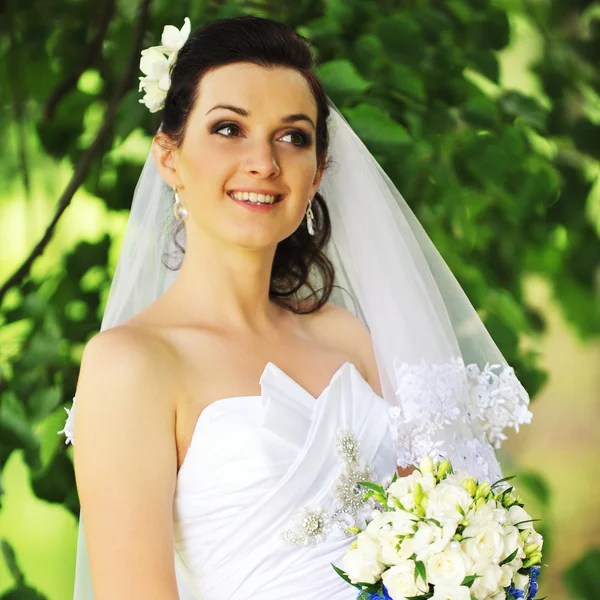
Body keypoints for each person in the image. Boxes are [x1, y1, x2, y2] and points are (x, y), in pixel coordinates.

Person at [60, 15, 533, 599]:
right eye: (229, 128)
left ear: (316, 178)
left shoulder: (351, 340)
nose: (264, 160)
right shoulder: (130, 364)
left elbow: (448, 518)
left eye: (293, 136)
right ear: (169, 157)